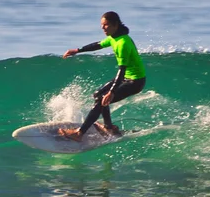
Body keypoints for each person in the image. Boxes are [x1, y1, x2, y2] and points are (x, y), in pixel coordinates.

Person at [59, 11, 146, 141]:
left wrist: (111, 92)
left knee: (102, 100)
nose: (102, 28)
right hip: (126, 78)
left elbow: (122, 70)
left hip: (135, 81)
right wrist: (77, 50)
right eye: (102, 25)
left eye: (106, 25)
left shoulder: (123, 43)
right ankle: (109, 127)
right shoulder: (114, 37)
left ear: (115, 25)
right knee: (97, 95)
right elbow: (98, 45)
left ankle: (79, 134)